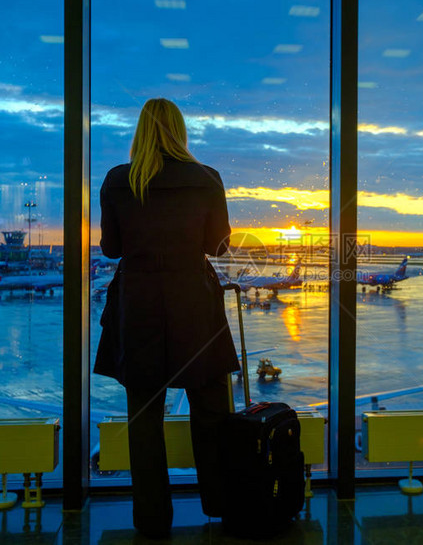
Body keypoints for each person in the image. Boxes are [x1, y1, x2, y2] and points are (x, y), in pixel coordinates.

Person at [94, 98, 239, 538]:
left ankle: (152, 520)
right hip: (193, 301)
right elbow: (218, 247)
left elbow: (111, 249)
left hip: (138, 304)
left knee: (144, 418)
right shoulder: (206, 179)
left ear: (140, 132)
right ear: (180, 131)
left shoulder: (119, 180)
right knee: (211, 410)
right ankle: (222, 505)